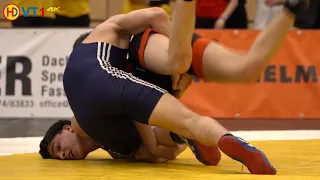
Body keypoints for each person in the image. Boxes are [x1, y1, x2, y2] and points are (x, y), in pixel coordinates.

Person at [40, 0, 310, 175]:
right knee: (247, 70)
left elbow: (156, 15)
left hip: (152, 46)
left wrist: (182, 70)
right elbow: (152, 104)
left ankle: (190, 132)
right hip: (166, 57)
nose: (64, 155)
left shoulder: (106, 45)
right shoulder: (106, 135)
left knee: (174, 62)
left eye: (58, 148)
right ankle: (292, 7)